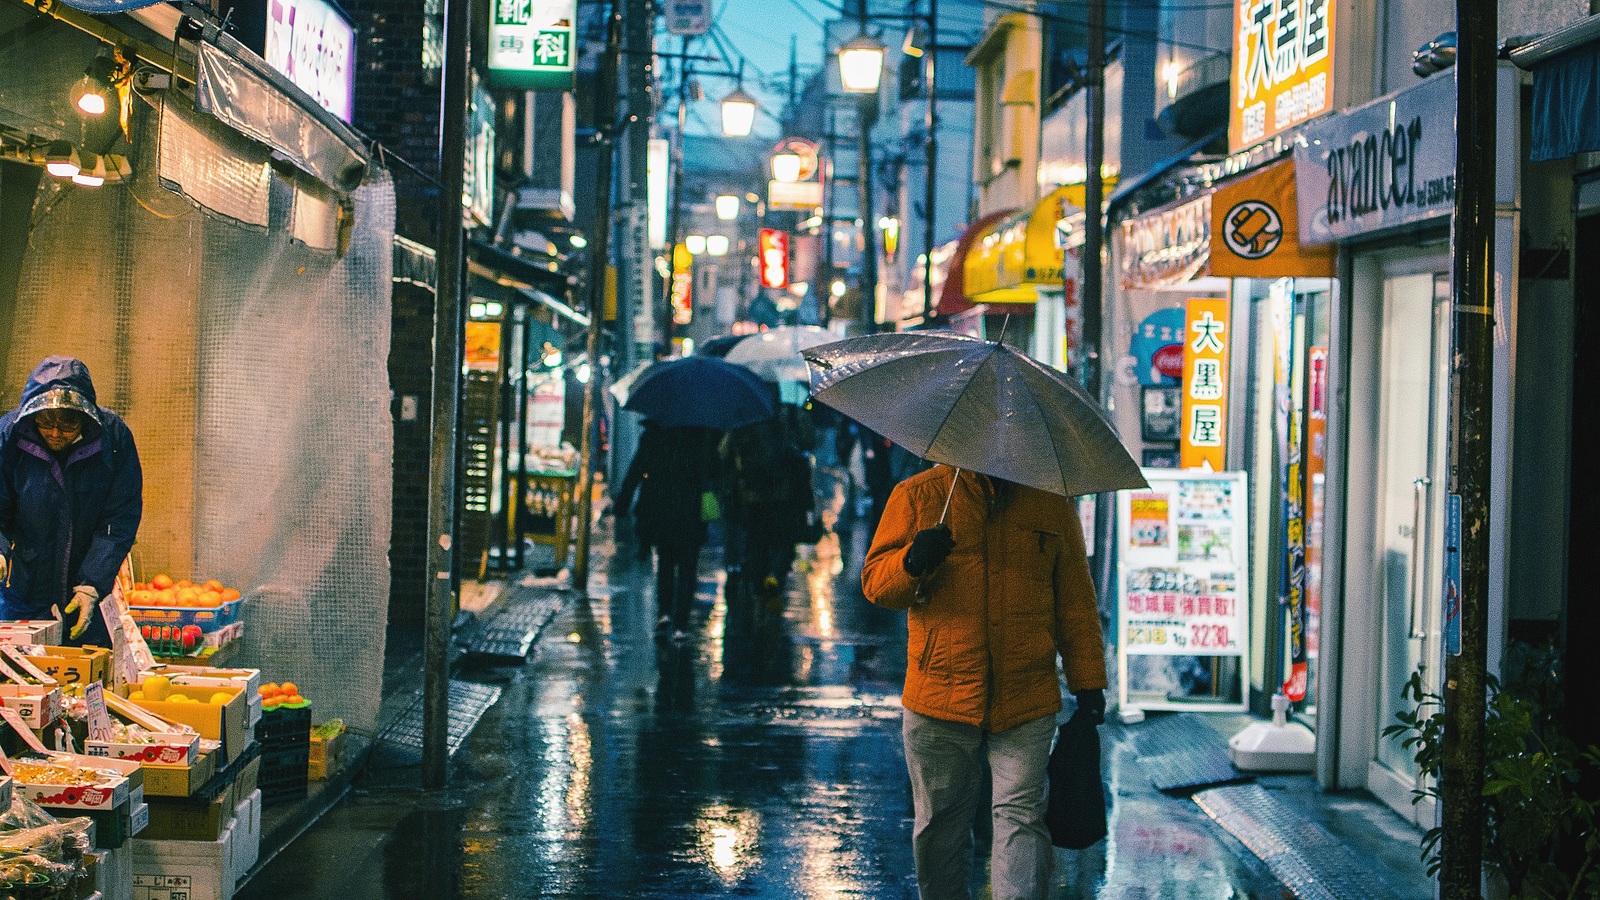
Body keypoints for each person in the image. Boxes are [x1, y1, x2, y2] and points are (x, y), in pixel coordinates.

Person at [862, 466, 1106, 900]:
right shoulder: (919, 495)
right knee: (940, 826)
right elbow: (877, 585)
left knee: (1022, 818)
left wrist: (1088, 683)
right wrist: (912, 561)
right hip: (939, 696)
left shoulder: (1050, 503)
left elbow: (1075, 602)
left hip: (1025, 695)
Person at [0, 356, 143, 647]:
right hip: (23, 589)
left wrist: (93, 584)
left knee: (87, 673)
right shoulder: (8, 434)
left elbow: (119, 519)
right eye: (45, 422)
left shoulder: (113, 438)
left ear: (86, 417)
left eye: (67, 424)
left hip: (87, 584)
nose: (55, 433)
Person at [615, 422, 716, 640]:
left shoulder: (653, 437)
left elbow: (636, 470)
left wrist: (622, 503)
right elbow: (711, 472)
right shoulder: (699, 438)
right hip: (690, 511)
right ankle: (681, 625)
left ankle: (664, 613)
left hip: (662, 510)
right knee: (688, 569)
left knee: (666, 563)